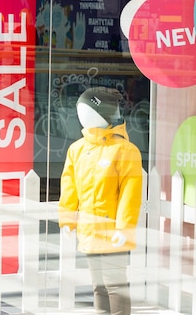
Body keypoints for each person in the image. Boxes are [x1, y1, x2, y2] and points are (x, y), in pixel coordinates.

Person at [58, 87, 143, 315]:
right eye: (80, 112)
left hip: (113, 231)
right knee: (98, 286)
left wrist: (124, 228)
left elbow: (130, 194)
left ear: (102, 114)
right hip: (89, 230)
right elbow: (70, 187)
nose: (82, 117)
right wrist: (67, 219)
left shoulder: (126, 151)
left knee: (115, 286)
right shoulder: (77, 150)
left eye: (87, 111)